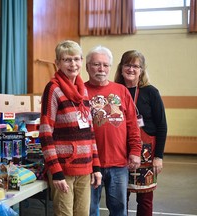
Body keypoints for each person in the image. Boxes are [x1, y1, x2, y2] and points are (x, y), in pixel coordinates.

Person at [39, 40, 102, 216]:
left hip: (85, 167)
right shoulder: (53, 89)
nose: (72, 64)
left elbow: (90, 133)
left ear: (82, 61)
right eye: (67, 60)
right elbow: (45, 133)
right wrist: (56, 172)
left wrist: (96, 166)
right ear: (57, 63)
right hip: (64, 169)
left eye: (76, 59)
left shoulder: (83, 91)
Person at [84, 45, 142, 216]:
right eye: (96, 64)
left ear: (110, 67)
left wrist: (135, 151)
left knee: (118, 210)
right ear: (87, 66)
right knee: (90, 209)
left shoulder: (121, 91)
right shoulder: (80, 91)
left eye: (105, 65)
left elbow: (132, 125)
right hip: (89, 164)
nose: (101, 68)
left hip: (118, 163)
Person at [114, 50, 167, 216]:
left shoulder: (151, 92)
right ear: (121, 68)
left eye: (136, 66)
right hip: (121, 152)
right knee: (120, 198)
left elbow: (162, 126)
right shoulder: (114, 91)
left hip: (147, 154)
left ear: (142, 70)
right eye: (128, 65)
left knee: (145, 200)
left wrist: (158, 157)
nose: (131, 69)